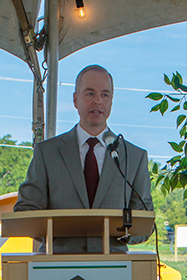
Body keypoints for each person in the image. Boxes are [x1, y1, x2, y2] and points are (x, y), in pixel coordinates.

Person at [14, 65, 153, 253]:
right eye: (90, 94)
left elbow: (144, 220)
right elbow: (25, 210)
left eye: (105, 95)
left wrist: (119, 231)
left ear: (111, 101)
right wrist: (63, 230)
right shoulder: (47, 152)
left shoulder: (134, 157)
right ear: (75, 100)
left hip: (114, 271)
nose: (98, 101)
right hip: (56, 269)